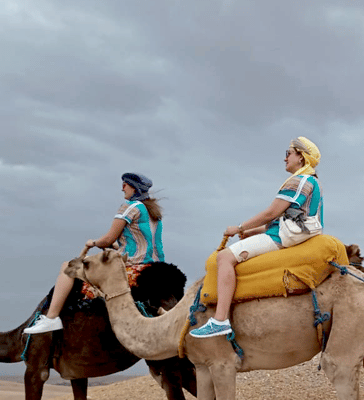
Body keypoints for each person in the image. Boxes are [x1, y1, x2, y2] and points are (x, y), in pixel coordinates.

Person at [189, 136, 323, 338]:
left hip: (281, 240)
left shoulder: (299, 181)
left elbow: (271, 214)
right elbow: (287, 222)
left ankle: (220, 320)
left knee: (224, 257)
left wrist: (239, 227)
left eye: (289, 153)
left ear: (301, 157)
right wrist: (253, 232)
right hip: (284, 235)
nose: (285, 158)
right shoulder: (311, 182)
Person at [23, 173, 165, 334]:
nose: (122, 188)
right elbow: (139, 242)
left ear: (134, 188)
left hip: (133, 264)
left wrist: (94, 243)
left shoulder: (130, 207)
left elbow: (107, 238)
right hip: (154, 266)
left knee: (68, 267)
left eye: (125, 184)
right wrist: (114, 245)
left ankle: (51, 318)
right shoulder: (153, 213)